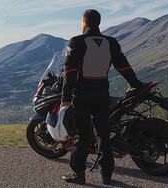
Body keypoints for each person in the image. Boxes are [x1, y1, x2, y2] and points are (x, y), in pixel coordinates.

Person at [60, 9, 143, 185]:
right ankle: (106, 175)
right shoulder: (111, 42)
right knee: (103, 134)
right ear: (98, 22)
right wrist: (136, 84)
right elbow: (124, 67)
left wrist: (65, 99)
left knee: (81, 136)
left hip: (81, 95)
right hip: (102, 95)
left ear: (85, 22)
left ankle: (79, 175)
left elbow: (70, 73)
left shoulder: (77, 41)